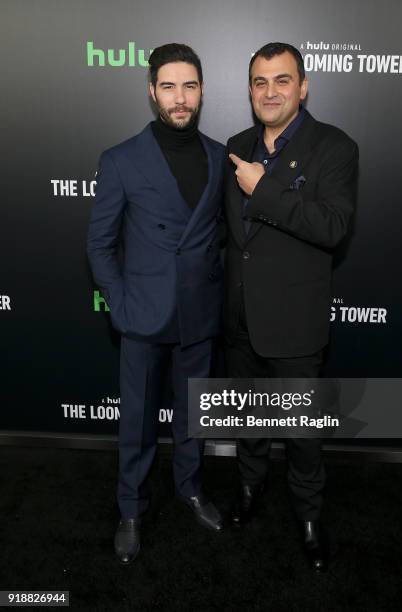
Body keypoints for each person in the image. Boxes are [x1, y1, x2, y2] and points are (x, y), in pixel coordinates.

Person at [87, 43, 225, 565]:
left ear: (202, 90)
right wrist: (120, 306)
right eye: (168, 86)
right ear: (151, 92)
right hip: (142, 313)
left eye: (189, 85)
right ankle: (131, 509)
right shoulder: (121, 159)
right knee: (138, 420)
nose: (180, 97)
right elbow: (99, 244)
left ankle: (190, 488)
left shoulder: (218, 156)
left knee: (193, 415)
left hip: (198, 313)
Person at [224, 42, 359, 572]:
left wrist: (265, 188)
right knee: (250, 424)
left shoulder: (335, 147)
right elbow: (230, 238)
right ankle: (251, 491)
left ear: (303, 87)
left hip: (296, 327)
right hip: (238, 322)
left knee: (303, 437)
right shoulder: (235, 144)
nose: (270, 91)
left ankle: (308, 515)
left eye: (282, 80)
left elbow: (332, 228)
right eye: (260, 81)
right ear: (250, 90)